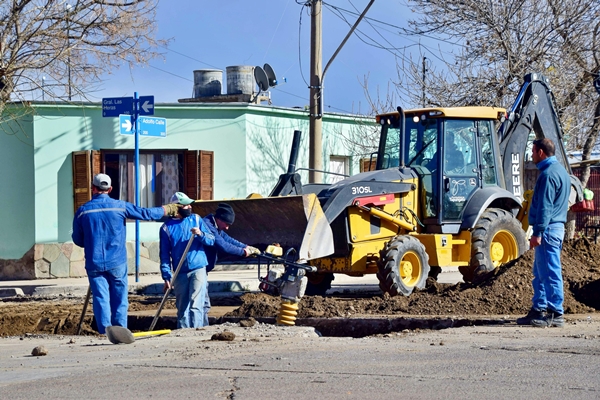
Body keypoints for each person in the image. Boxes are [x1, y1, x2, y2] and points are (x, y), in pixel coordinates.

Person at [72, 173, 181, 335]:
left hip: (94, 263)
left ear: (92, 188)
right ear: (110, 189)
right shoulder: (120, 206)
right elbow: (146, 214)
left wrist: (91, 243)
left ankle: (105, 332)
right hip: (117, 261)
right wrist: (167, 209)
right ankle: (120, 331)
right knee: (120, 298)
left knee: (101, 298)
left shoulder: (83, 211)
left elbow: (78, 239)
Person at [517, 138, 571, 328]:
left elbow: (545, 207)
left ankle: (555, 312)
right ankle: (538, 309)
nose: (531, 155)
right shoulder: (561, 172)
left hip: (548, 229)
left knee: (549, 271)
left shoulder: (548, 175)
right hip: (554, 228)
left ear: (541, 152)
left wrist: (538, 232)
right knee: (540, 272)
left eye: (533, 151)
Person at [159, 192, 215, 328]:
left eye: (190, 204)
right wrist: (166, 275)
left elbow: (211, 239)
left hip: (198, 267)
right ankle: (183, 336)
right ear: (176, 207)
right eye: (185, 205)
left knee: (196, 305)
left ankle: (197, 333)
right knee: (182, 307)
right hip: (180, 272)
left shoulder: (196, 219)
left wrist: (200, 234)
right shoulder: (166, 228)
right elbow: (164, 254)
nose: (189, 207)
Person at [202, 203, 260, 325]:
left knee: (204, 302)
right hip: (198, 268)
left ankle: (202, 326)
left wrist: (247, 246)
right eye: (227, 224)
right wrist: (243, 252)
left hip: (203, 269)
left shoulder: (215, 225)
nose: (227, 227)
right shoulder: (207, 226)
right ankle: (198, 328)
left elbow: (228, 239)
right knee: (201, 303)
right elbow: (223, 245)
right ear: (219, 219)